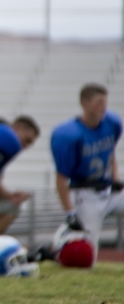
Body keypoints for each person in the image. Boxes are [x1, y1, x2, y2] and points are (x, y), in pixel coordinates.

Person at [51, 83, 123, 262]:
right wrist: (70, 212)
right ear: (84, 103)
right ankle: (61, 242)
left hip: (108, 190)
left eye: (105, 102)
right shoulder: (69, 134)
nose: (103, 106)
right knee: (87, 256)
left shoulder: (112, 122)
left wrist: (115, 179)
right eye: (98, 102)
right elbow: (61, 179)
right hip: (85, 195)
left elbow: (110, 151)